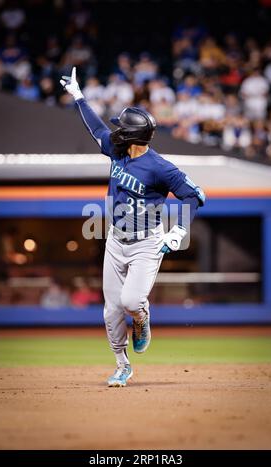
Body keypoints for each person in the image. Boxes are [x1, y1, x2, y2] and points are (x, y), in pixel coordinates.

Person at [60, 67, 205, 387]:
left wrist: (179, 230)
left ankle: (142, 319)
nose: (116, 132)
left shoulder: (160, 168)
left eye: (121, 128)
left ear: (132, 136)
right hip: (115, 240)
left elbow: (194, 196)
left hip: (146, 243)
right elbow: (95, 128)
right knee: (111, 310)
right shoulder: (116, 148)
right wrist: (79, 97)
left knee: (131, 302)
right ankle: (122, 364)